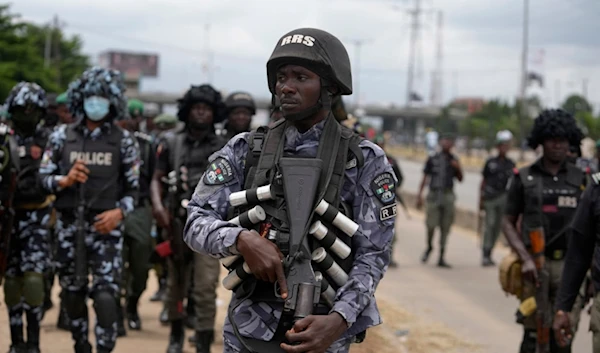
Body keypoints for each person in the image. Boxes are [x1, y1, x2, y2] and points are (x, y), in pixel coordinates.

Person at [184, 27, 396, 353]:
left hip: (321, 331)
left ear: (328, 87)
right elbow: (196, 221)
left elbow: (373, 255)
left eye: (301, 77)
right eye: (282, 77)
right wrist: (241, 239)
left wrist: (340, 320)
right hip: (248, 328)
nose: (286, 87)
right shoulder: (246, 150)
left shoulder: (363, 159)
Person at [39, 67, 140, 353]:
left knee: (106, 296)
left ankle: (105, 348)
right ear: (80, 99)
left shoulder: (124, 140)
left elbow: (134, 190)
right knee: (72, 293)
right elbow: (43, 178)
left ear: (112, 101)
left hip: (106, 228)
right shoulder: (61, 136)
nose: (95, 103)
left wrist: (119, 213)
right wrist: (65, 179)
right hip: (70, 227)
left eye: (102, 98)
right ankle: (80, 344)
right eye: (90, 97)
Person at [501, 109, 585, 353]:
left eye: (563, 139)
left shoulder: (583, 180)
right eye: (551, 139)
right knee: (532, 334)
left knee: (563, 334)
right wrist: (524, 258)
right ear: (541, 141)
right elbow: (507, 221)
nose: (558, 144)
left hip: (571, 268)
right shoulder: (524, 177)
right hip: (534, 267)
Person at [150, 84, 226, 353]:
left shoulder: (223, 145)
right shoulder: (171, 142)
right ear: (187, 110)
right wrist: (158, 207)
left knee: (205, 286)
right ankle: (175, 335)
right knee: (175, 284)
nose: (201, 113)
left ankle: (203, 339)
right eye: (196, 108)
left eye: (206, 108)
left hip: (210, 226)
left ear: (214, 112)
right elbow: (156, 179)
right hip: (177, 223)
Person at [3, 82, 53, 353]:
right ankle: (16, 342)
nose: (28, 114)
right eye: (23, 109)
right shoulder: (4, 138)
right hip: (8, 219)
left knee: (34, 281)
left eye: (33, 109)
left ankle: (33, 343)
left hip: (38, 217)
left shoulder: (50, 139)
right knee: (12, 282)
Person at [114, 114, 156, 333]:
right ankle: (116, 314)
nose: (129, 121)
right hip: (114, 210)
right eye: (125, 117)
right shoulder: (110, 143)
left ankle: (132, 303)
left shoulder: (147, 146)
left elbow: (154, 179)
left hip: (140, 209)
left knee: (141, 266)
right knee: (115, 266)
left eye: (134, 117)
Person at [416, 132, 463, 268]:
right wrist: (420, 196)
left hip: (448, 196)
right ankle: (429, 246)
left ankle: (442, 255)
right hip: (434, 195)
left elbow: (460, 179)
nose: (447, 144)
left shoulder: (454, 159)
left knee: (445, 227)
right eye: (445, 141)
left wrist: (457, 167)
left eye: (449, 141)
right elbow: (425, 177)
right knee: (430, 225)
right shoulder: (433, 158)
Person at [479, 130, 515, 266]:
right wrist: (481, 199)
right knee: (489, 224)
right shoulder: (490, 162)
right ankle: (485, 253)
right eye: (502, 145)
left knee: (499, 227)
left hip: (503, 198)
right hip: (490, 197)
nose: (504, 148)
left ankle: (490, 252)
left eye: (506, 145)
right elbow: (483, 181)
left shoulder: (511, 164)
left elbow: (513, 185)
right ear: (497, 146)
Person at [374, 134, 403, 268]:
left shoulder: (390, 161)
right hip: (372, 201)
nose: (381, 146)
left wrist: (391, 189)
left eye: (382, 144)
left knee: (390, 228)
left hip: (387, 201)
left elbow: (400, 178)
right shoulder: (369, 159)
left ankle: (389, 257)